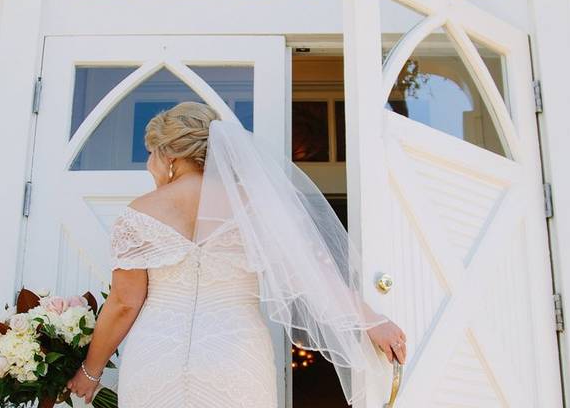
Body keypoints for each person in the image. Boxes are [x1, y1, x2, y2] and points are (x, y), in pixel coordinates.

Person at [66, 102, 406, 407]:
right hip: (234, 353)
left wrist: (90, 371)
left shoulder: (138, 212)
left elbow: (125, 303)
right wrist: (372, 320)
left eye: (151, 154)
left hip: (156, 354)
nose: (149, 165)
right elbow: (310, 276)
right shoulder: (255, 205)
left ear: (169, 155)